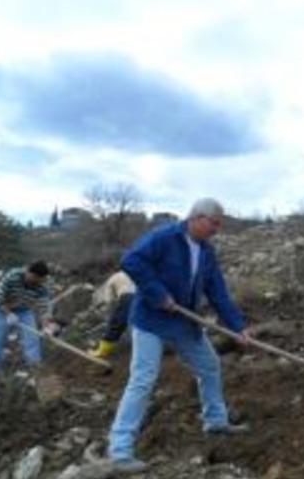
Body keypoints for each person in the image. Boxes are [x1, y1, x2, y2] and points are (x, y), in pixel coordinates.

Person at [107, 198, 251, 473]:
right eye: (214, 224)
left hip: (184, 322)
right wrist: (158, 293)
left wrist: (237, 327)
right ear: (197, 217)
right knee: (143, 379)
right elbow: (131, 261)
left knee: (209, 366)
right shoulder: (164, 237)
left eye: (219, 225)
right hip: (151, 319)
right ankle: (120, 450)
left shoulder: (207, 252)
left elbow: (217, 291)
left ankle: (216, 422)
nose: (216, 230)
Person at [0, 260, 58, 374]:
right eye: (33, 279)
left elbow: (44, 309)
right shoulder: (13, 276)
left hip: (24, 312)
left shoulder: (43, 285)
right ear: (28, 272)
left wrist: (46, 326)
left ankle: (36, 370)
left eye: (38, 281)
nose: (35, 283)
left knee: (32, 341)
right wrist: (9, 314)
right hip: (1, 311)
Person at [88, 271, 136, 359]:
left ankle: (103, 351)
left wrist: (109, 317)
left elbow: (109, 302)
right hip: (144, 295)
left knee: (117, 323)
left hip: (128, 296)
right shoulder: (131, 272)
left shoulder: (111, 280)